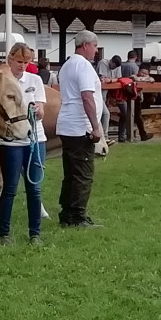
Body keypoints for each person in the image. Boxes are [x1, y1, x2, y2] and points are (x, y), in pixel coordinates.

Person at [0, 43, 47, 246]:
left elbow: (42, 110)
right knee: (10, 188)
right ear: (10, 59)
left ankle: (35, 233)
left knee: (34, 188)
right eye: (19, 61)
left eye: (27, 62)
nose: (23, 66)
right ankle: (4, 234)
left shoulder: (35, 80)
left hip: (35, 139)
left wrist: (38, 111)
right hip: (10, 141)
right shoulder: (2, 81)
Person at [55, 30, 103, 229]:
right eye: (94, 46)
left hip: (67, 124)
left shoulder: (67, 65)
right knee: (83, 173)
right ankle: (77, 215)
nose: (96, 50)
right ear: (85, 45)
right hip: (80, 126)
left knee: (71, 172)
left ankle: (67, 212)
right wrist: (95, 126)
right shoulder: (83, 66)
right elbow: (87, 97)